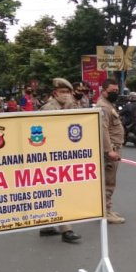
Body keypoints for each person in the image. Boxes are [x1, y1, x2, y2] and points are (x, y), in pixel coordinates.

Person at [38, 78, 81, 243]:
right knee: (60, 193)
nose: (66, 95)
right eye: (63, 92)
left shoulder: (68, 107)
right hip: (49, 156)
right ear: (55, 93)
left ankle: (46, 226)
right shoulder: (48, 109)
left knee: (52, 192)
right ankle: (66, 230)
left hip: (62, 155)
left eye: (68, 92)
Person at [96, 79, 125, 224]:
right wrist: (109, 151)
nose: (115, 93)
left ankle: (106, 210)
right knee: (109, 182)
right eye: (112, 91)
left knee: (109, 181)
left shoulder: (108, 105)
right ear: (104, 91)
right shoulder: (103, 107)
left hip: (114, 148)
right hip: (111, 150)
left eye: (116, 90)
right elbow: (103, 130)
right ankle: (106, 213)